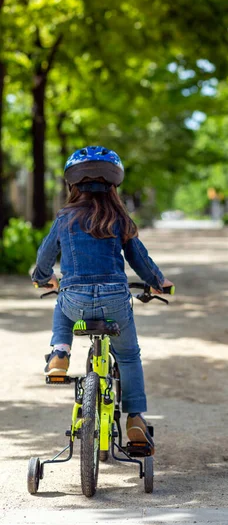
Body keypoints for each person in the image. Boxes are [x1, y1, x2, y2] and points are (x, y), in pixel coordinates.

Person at [31, 145, 173, 453]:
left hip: (75, 299)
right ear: (113, 188)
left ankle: (59, 352)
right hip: (114, 300)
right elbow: (140, 259)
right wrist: (158, 282)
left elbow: (44, 256)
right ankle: (135, 417)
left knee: (61, 303)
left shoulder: (64, 218)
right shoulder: (119, 219)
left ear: (73, 186)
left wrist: (43, 277)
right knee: (129, 356)